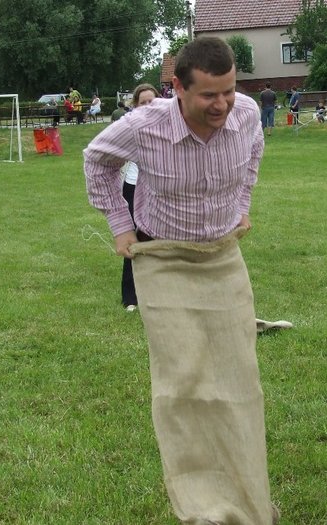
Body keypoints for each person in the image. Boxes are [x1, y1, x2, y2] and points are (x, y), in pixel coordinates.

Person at [84, 36, 279, 525]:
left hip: (223, 257)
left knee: (239, 380)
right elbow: (96, 160)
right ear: (178, 87)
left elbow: (254, 152)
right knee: (183, 384)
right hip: (165, 261)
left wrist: (243, 204)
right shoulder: (144, 125)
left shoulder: (247, 114)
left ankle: (249, 500)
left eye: (229, 91)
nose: (222, 105)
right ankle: (203, 507)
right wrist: (120, 224)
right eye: (209, 94)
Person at [118, 83, 160, 312]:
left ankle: (161, 289)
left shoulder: (167, 126)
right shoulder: (128, 128)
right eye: (143, 103)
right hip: (134, 187)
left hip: (159, 189)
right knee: (134, 239)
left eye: (151, 101)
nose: (147, 106)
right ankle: (131, 296)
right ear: (135, 106)